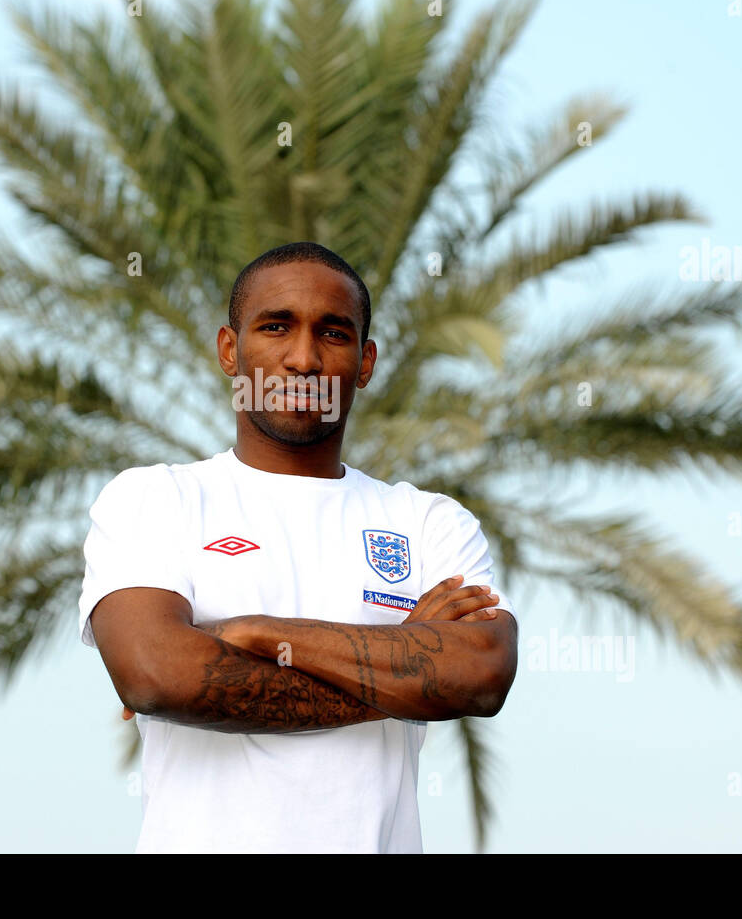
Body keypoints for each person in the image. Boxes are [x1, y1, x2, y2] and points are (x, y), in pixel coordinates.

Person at [78, 241, 519, 852]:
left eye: (333, 334)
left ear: (364, 364)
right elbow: (157, 676)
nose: (304, 358)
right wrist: (404, 666)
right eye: (276, 326)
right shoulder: (156, 499)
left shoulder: (427, 521)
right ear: (231, 350)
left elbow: (479, 672)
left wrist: (255, 634)